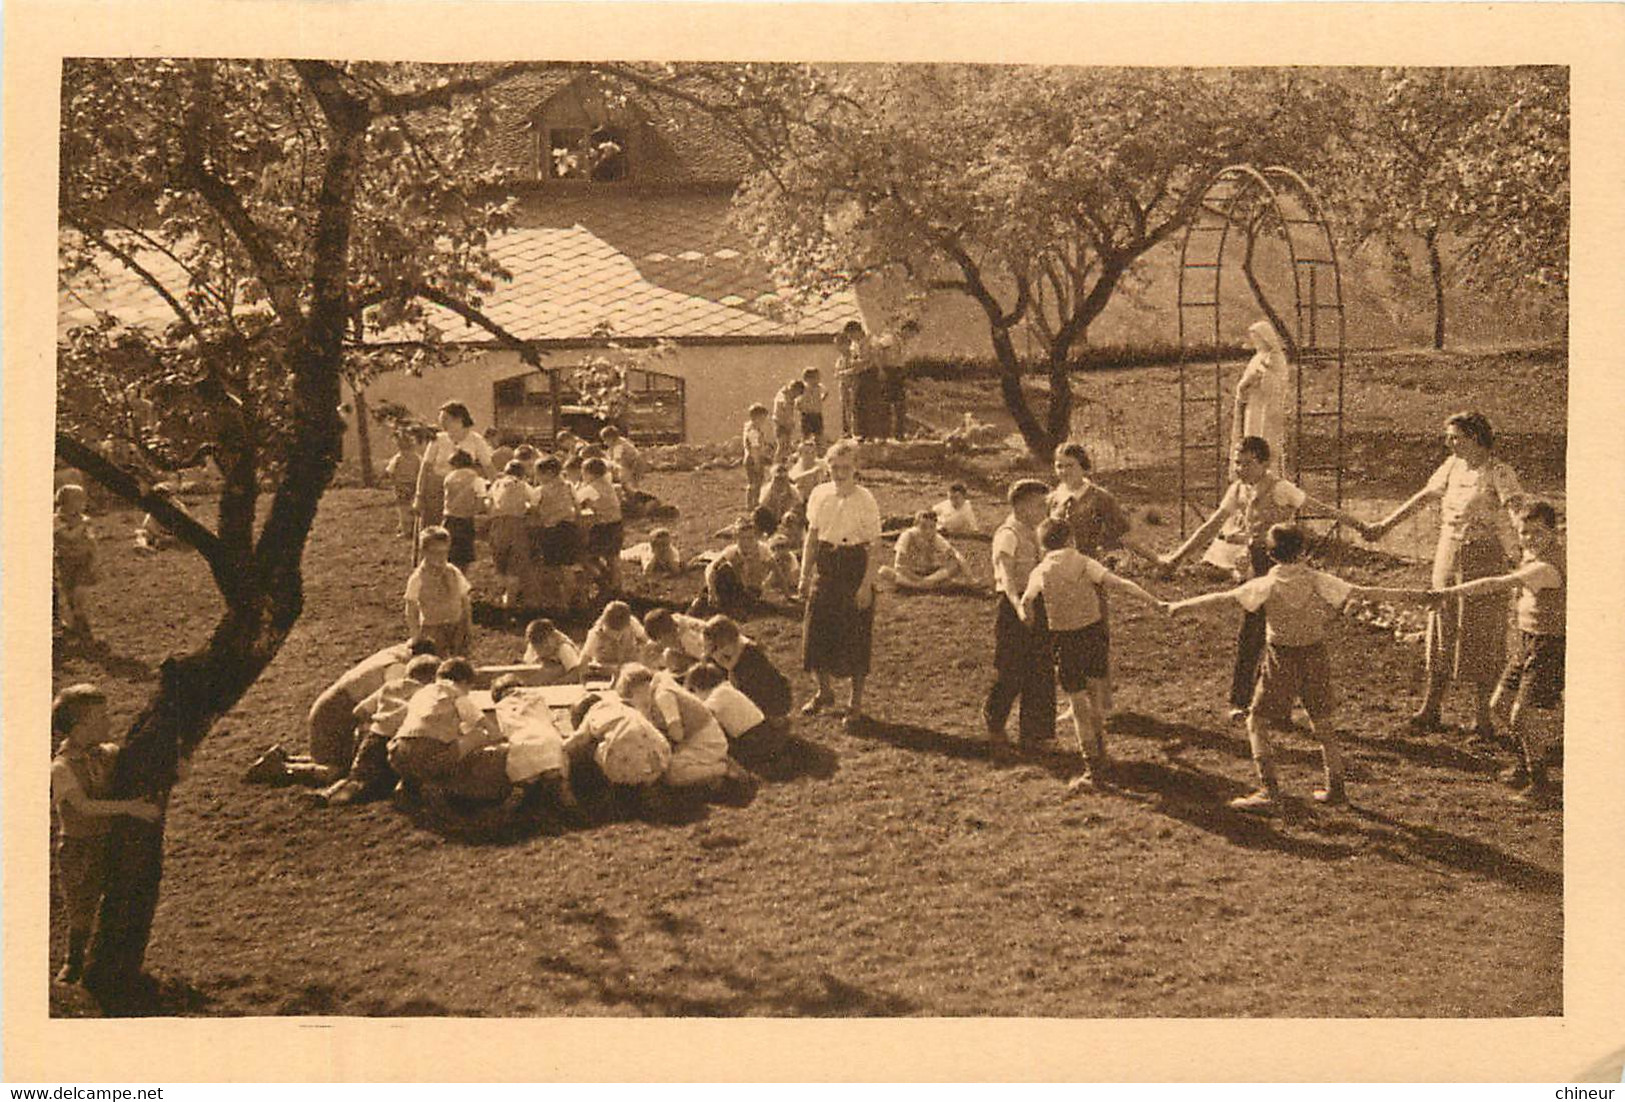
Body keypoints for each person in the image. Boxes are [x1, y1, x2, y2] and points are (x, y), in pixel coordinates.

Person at [1169, 524, 1430, 813]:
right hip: (1316, 656)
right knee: (1324, 725)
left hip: (1281, 659)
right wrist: (1419, 596)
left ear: (1269, 554)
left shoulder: (1266, 585)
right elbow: (1364, 591)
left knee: (1256, 722)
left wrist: (1179, 606)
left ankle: (1269, 791)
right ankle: (1337, 789)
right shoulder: (1317, 580)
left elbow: (1223, 598)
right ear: (1303, 550)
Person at [1160, 436, 1366, 722]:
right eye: (1236, 462)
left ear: (1264, 463)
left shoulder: (1281, 488)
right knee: (1251, 632)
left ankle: (1272, 703)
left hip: (1284, 565)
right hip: (1257, 565)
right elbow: (1212, 525)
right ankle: (1244, 701)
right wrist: (1177, 556)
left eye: (1246, 463)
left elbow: (1322, 508)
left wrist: (1362, 527)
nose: (1239, 469)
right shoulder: (1238, 489)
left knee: (1283, 635)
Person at [1359, 411, 1524, 739]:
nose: (1449, 443)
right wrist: (1384, 526)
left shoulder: (1499, 473)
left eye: (1455, 437)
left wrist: (1523, 558)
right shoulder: (1451, 467)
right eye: (1448, 437)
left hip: (1484, 560)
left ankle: (1483, 718)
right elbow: (1423, 498)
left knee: (1481, 634)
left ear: (1475, 438)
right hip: (1448, 557)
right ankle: (1430, 708)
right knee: (1441, 629)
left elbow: (1518, 514)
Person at [1429, 499, 1565, 804]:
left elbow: (1495, 584)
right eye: (1523, 532)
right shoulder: (1533, 556)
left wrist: (1448, 592)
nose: (1528, 539)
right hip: (1528, 641)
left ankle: (1540, 783)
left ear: (1553, 532)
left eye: (1536, 532)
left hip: (1550, 646)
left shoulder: (1547, 565)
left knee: (1521, 715)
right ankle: (1524, 764)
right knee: (1499, 705)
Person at [1020, 518, 1166, 793]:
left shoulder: (1040, 571)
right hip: (1093, 635)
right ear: (1071, 540)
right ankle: (1103, 754)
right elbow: (1121, 584)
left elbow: (1027, 600)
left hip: (1065, 639)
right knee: (1096, 698)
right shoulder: (1086, 563)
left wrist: (1027, 619)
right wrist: (1155, 602)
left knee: (1077, 705)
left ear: (1042, 546)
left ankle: (1093, 769)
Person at [51, 684, 162, 983]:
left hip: (109, 842)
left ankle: (102, 959)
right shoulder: (62, 768)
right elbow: (85, 807)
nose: (109, 722)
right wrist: (129, 808)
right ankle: (73, 962)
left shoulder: (106, 754)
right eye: (101, 718)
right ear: (79, 727)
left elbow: (136, 764)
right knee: (82, 907)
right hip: (80, 849)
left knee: (113, 898)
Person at [1048, 442, 1162, 713]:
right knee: (1067, 637)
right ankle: (1076, 702)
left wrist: (1157, 559)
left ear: (1083, 466)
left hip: (1089, 573)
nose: (1063, 471)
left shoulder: (1100, 498)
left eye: (1069, 465)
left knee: (1095, 636)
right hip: (1060, 576)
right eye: (1058, 465)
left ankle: (1102, 701)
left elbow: (1124, 535)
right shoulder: (1053, 498)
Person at [800, 440, 883, 729]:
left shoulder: (866, 499)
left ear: (855, 468)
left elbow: (875, 546)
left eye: (845, 468)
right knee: (816, 631)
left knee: (855, 636)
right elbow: (812, 537)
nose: (839, 473)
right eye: (834, 467)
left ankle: (855, 703)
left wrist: (865, 586)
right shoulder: (819, 494)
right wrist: (803, 574)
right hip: (826, 565)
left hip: (854, 566)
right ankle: (824, 692)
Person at [984, 479, 1057, 756]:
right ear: (1022, 506)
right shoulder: (1007, 534)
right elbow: (1005, 575)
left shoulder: (1037, 531)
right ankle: (995, 719)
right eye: (1040, 505)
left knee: (1041, 669)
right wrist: (1018, 607)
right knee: (1011, 670)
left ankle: (1036, 734)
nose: (1045, 510)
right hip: (1013, 606)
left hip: (1038, 603)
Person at [317, 654, 442, 806]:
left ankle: (328, 792)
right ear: (431, 678)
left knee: (357, 775)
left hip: (372, 738)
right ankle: (350, 797)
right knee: (377, 784)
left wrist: (373, 724)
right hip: (394, 744)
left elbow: (359, 711)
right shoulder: (425, 693)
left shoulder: (390, 687)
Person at [618, 663, 741, 792]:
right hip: (695, 739)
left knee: (672, 773)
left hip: (705, 741)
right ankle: (710, 773)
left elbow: (677, 734)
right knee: (663, 766)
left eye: (632, 695)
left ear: (640, 687)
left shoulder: (663, 695)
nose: (634, 700)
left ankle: (722, 768)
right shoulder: (658, 689)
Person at [562, 692, 672, 815]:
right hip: (661, 754)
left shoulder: (592, 713)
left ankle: (611, 793)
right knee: (633, 742)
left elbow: (579, 738)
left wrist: (562, 746)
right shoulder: (624, 708)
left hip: (626, 761)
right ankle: (648, 788)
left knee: (588, 749)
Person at [413, 400, 493, 534]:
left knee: (455, 532)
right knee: (430, 532)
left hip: (460, 493)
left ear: (459, 419)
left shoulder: (476, 440)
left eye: (445, 419)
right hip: (436, 490)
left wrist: (497, 492)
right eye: (441, 419)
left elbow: (489, 468)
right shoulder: (438, 439)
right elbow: (425, 468)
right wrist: (419, 495)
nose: (441, 422)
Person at [702, 614, 793, 722]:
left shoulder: (750, 655)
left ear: (729, 640)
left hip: (772, 699)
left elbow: (750, 687)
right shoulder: (728, 653)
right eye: (713, 649)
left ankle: (773, 719)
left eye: (718, 647)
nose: (716, 653)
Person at [405, 526, 474, 659]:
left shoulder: (453, 572)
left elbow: (464, 599)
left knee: (460, 659)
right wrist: (416, 636)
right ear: (424, 552)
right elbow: (411, 606)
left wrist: (467, 625)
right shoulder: (418, 577)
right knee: (437, 659)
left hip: (456, 625)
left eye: (444, 552)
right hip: (433, 627)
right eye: (435, 552)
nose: (441, 557)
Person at [1233, 320, 1291, 473]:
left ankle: (1270, 476)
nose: (1256, 342)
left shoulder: (1277, 357)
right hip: (1254, 405)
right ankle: (1251, 473)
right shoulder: (1257, 358)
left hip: (1269, 407)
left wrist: (1265, 377)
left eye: (1258, 338)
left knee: (1267, 440)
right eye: (1254, 338)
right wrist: (1245, 384)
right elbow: (1245, 383)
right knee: (1252, 439)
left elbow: (1280, 383)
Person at [528, 455, 582, 611]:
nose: (536, 478)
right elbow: (577, 506)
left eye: (539, 474)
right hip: (569, 528)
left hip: (552, 530)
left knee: (553, 566)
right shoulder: (569, 486)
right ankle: (570, 598)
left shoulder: (540, 490)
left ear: (550, 473)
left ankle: (559, 601)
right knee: (568, 566)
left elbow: (533, 509)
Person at [879, 509, 974, 591]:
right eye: (923, 527)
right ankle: (925, 586)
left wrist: (970, 577)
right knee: (883, 571)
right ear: (916, 525)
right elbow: (899, 566)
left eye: (932, 527)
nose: (928, 531)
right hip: (910, 573)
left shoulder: (935, 537)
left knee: (955, 564)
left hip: (929, 572)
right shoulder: (907, 536)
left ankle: (918, 586)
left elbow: (955, 554)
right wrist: (918, 579)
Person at [700, 515, 775, 617]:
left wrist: (786, 594)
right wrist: (711, 591)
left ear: (756, 537)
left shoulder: (763, 550)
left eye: (750, 538)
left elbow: (776, 569)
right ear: (736, 538)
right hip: (734, 589)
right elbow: (710, 568)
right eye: (743, 538)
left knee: (726, 573)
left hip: (751, 591)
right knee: (722, 572)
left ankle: (723, 609)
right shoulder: (731, 551)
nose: (747, 542)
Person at [486, 459, 532, 613]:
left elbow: (489, 501)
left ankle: (502, 591)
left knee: (500, 558)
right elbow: (533, 501)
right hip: (517, 524)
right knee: (516, 561)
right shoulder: (523, 485)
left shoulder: (497, 484)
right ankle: (510, 600)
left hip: (498, 523)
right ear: (522, 474)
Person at [54, 484, 98, 640]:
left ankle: (79, 614)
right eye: (78, 500)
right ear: (65, 503)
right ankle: (76, 622)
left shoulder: (85, 520)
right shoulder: (56, 520)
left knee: (81, 589)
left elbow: (91, 539)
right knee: (69, 593)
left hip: (83, 560)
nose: (83, 503)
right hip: (65, 562)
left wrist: (94, 556)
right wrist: (83, 525)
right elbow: (69, 536)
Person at [576, 456, 624, 594]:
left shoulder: (591, 488)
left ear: (589, 474)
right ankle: (616, 585)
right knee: (613, 557)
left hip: (603, 527)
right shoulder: (607, 483)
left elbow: (575, 500)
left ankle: (602, 579)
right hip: (616, 523)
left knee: (587, 556)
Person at [440, 449, 486, 572]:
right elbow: (481, 499)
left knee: (449, 552)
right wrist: (475, 510)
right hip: (466, 519)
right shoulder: (476, 478)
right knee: (464, 555)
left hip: (449, 517)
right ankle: (461, 579)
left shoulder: (449, 477)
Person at [579, 600, 651, 677]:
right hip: (606, 671)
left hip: (630, 669)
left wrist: (644, 653)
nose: (616, 636)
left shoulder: (632, 624)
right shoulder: (595, 633)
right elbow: (584, 660)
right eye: (612, 630)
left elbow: (649, 641)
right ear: (605, 623)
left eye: (620, 631)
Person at [643, 607, 709, 673]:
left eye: (658, 639)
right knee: (669, 656)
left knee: (670, 657)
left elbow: (708, 658)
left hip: (710, 655)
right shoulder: (674, 620)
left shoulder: (688, 640)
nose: (659, 644)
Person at [384, 430, 423, 538]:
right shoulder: (417, 458)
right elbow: (421, 471)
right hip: (413, 485)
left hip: (401, 485)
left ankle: (406, 530)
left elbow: (390, 471)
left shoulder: (398, 458)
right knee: (412, 506)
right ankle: (411, 528)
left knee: (403, 508)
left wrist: (394, 481)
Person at [521, 618, 582, 684]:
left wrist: (556, 683)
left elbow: (577, 673)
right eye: (535, 642)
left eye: (541, 640)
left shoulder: (564, 648)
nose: (538, 646)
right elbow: (527, 668)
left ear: (552, 637)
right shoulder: (532, 646)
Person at [741, 403, 776, 511]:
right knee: (755, 483)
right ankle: (753, 503)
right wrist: (757, 462)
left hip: (751, 458)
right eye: (761, 418)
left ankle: (751, 503)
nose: (763, 421)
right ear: (755, 417)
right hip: (753, 459)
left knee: (754, 482)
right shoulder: (753, 432)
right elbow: (755, 448)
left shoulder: (750, 428)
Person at [600, 425, 645, 495]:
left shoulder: (618, 446)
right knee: (630, 481)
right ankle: (632, 493)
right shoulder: (621, 441)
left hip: (633, 464)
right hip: (635, 463)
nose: (605, 443)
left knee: (625, 480)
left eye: (605, 440)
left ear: (611, 438)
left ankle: (634, 494)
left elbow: (616, 461)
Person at [620, 528, 684, 576]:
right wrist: (654, 556)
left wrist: (671, 563)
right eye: (660, 545)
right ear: (653, 546)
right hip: (642, 549)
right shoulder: (649, 552)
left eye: (666, 544)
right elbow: (647, 572)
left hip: (660, 557)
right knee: (623, 555)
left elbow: (676, 570)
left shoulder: (672, 551)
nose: (664, 548)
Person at [771, 379, 804, 462]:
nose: (796, 396)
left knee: (786, 446)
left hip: (786, 424)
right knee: (782, 446)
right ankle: (776, 463)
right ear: (794, 390)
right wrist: (787, 422)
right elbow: (781, 411)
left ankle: (783, 463)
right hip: (781, 424)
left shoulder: (789, 396)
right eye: (797, 394)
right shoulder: (783, 396)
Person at [796, 367, 827, 451]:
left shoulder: (819, 387)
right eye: (815, 377)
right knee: (806, 435)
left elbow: (825, 392)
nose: (818, 380)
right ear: (808, 379)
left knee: (819, 435)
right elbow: (798, 400)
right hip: (807, 414)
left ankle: (820, 452)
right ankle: (804, 452)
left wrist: (821, 399)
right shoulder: (804, 388)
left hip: (817, 414)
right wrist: (800, 407)